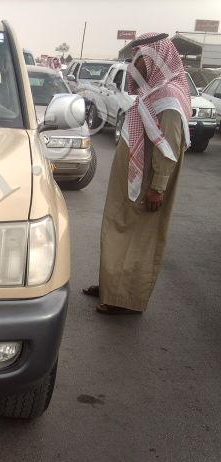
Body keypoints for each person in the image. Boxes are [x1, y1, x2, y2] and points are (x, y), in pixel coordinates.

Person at [84, 33, 191, 315]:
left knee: (138, 238)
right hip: (133, 177)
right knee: (117, 228)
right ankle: (110, 286)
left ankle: (123, 298)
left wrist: (158, 187)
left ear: (156, 58)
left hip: (148, 184)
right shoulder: (152, 92)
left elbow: (169, 147)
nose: (135, 65)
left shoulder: (169, 98)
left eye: (141, 58)